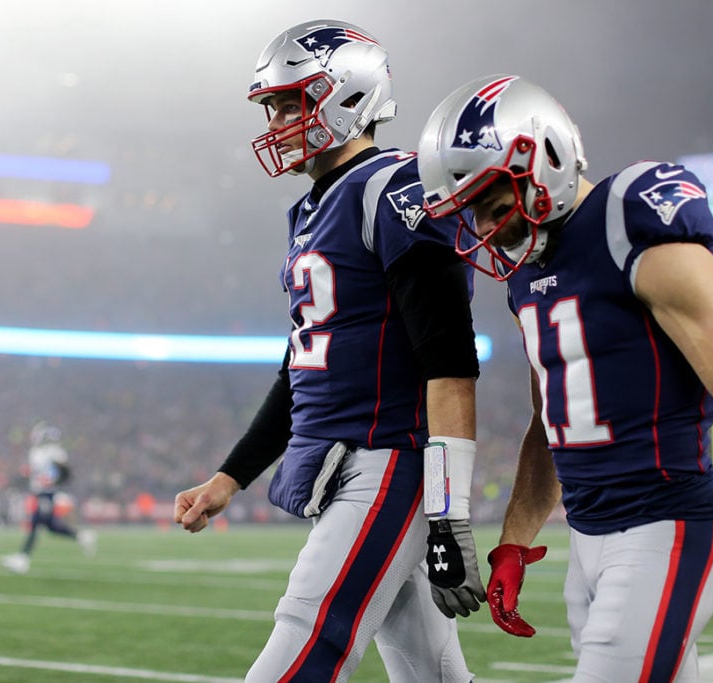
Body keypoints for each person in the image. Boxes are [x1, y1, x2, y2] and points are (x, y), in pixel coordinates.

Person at [416, 74, 713, 681]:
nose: (492, 229)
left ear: (545, 157)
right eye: (475, 214)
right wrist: (515, 539)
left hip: (666, 527)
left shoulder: (630, 219)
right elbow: (549, 425)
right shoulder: (527, 273)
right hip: (588, 539)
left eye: (495, 204)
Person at [172, 20, 483, 682]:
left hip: (389, 461)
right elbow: (302, 366)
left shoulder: (395, 188)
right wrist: (231, 475)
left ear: (347, 95)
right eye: (273, 106)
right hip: (341, 458)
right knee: (430, 672)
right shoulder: (308, 211)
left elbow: (449, 363)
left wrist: (449, 510)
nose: (279, 120)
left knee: (305, 643)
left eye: (291, 101)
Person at [0, 420, 96, 574]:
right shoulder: (44, 453)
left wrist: (51, 480)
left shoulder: (52, 454)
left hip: (46, 493)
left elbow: (65, 475)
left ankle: (22, 559)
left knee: (35, 523)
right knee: (50, 526)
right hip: (41, 492)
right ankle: (81, 536)